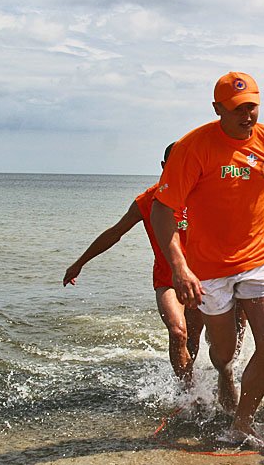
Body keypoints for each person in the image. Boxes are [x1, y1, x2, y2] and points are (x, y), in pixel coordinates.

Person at [150, 71, 264, 440]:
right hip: (208, 268)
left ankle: (242, 422)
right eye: (237, 108)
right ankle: (224, 373)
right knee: (224, 352)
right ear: (218, 108)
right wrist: (179, 268)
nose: (247, 115)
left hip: (257, 257)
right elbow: (162, 210)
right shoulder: (194, 147)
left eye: (252, 106)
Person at [62, 143, 203, 384]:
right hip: (167, 280)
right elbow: (115, 232)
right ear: (163, 166)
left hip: (200, 278)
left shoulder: (201, 194)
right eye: (174, 164)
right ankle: (187, 394)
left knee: (193, 338)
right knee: (178, 332)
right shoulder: (148, 200)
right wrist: (80, 262)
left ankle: (192, 385)